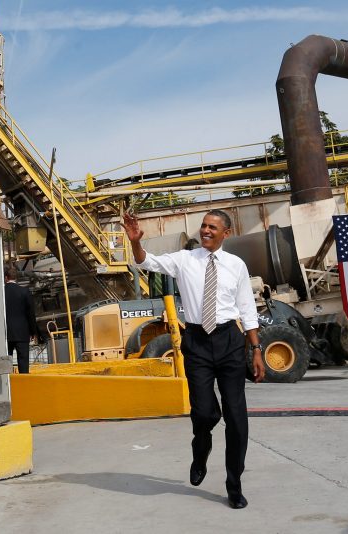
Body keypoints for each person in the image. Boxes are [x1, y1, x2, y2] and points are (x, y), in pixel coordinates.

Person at [122, 209, 265, 509]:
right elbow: (146, 261)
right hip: (198, 342)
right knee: (203, 414)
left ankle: (234, 485)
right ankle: (200, 452)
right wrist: (135, 242)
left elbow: (247, 310)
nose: (206, 231)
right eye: (203, 226)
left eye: (213, 227)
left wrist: (256, 350)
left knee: (237, 419)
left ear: (226, 233)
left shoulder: (236, 265)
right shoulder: (185, 260)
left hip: (229, 341)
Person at [4, 266, 39, 374]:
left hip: (5, 333)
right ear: (16, 278)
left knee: (6, 363)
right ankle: (25, 385)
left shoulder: (1, 293)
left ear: (6, 278)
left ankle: (8, 386)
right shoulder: (24, 292)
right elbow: (30, 314)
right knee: (23, 362)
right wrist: (33, 331)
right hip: (22, 332)